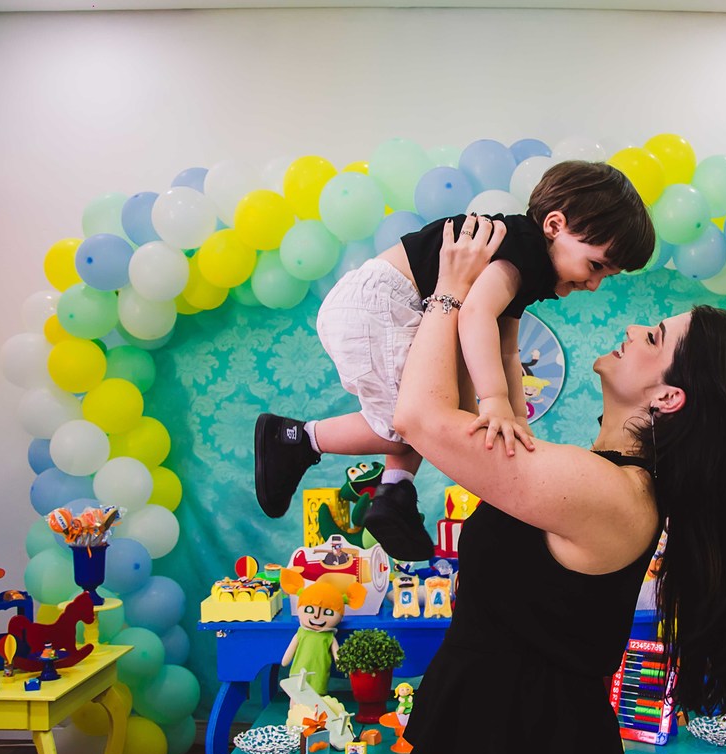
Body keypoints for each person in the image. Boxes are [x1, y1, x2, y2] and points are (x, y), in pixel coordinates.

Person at [393, 215, 726, 754]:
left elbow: (419, 419)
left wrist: (450, 290)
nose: (632, 328)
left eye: (653, 336)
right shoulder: (603, 479)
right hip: (501, 747)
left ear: (668, 396)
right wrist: (495, 314)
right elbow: (482, 410)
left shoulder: (607, 493)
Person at [254, 161, 655, 562]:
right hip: (379, 304)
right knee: (424, 420)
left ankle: (395, 493)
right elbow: (476, 314)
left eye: (607, 276)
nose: (594, 283)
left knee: (437, 407)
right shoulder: (524, 250)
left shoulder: (528, 259)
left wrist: (518, 421)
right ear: (554, 225)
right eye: (596, 265)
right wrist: (495, 400)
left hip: (387, 304)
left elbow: (506, 348)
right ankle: (297, 438)